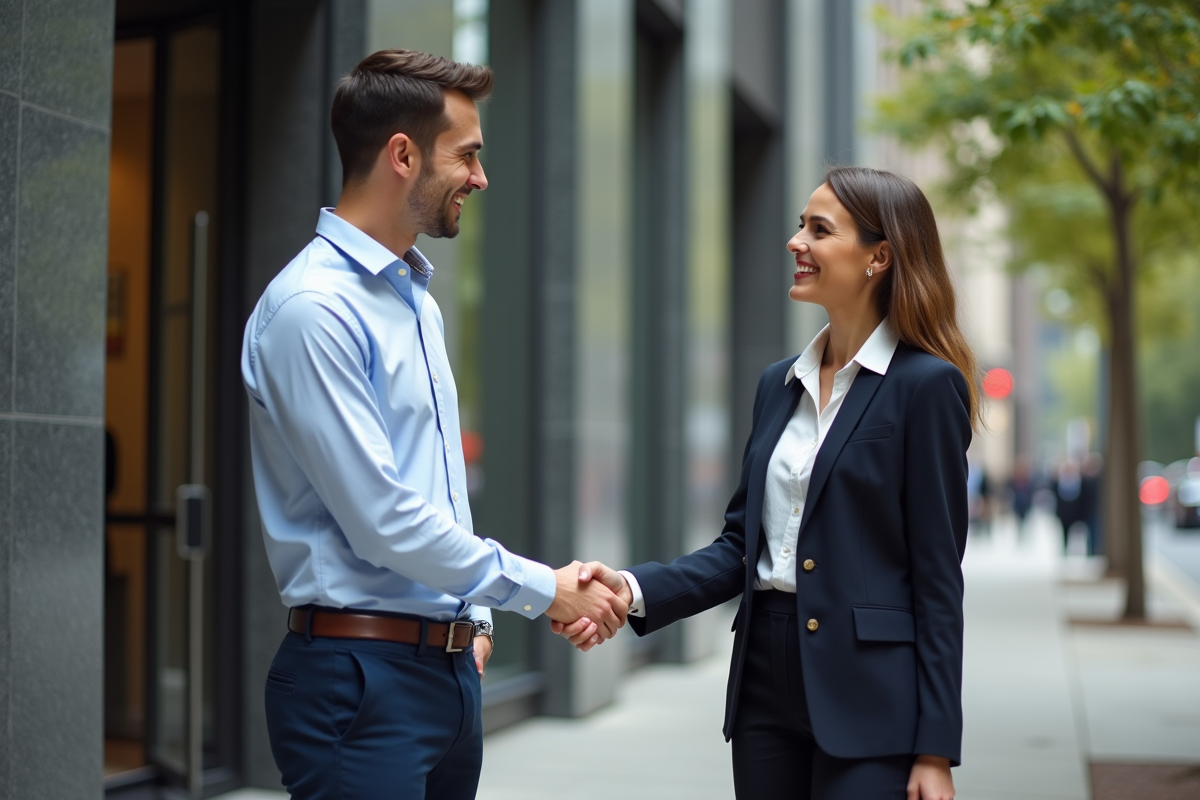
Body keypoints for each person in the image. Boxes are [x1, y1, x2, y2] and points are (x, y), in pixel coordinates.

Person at [241, 50, 627, 800]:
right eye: (469, 155)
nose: (480, 178)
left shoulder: (416, 299)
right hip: (359, 686)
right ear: (403, 154)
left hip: (445, 676)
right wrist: (543, 589)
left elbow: (434, 484)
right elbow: (382, 518)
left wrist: (475, 621)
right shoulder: (313, 310)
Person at [557, 167, 978, 800]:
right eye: (798, 225)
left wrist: (936, 747)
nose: (794, 242)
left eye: (818, 229)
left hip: (872, 700)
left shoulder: (926, 387)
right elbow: (738, 549)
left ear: (879, 257)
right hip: (764, 686)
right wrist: (632, 589)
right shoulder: (778, 384)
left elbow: (939, 580)